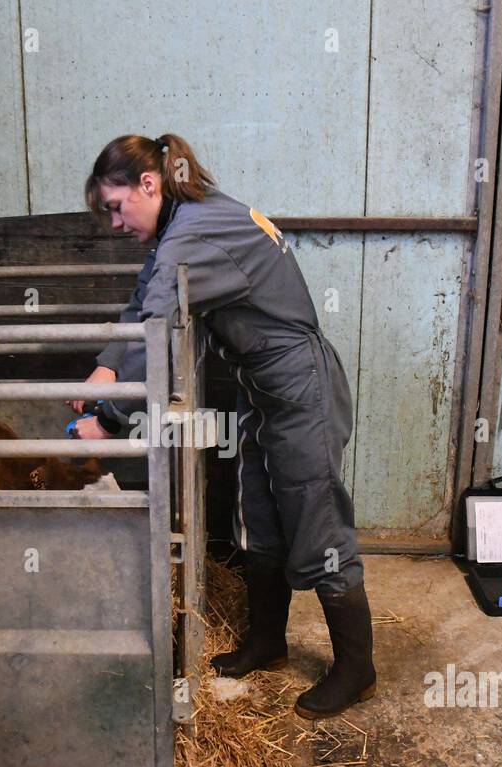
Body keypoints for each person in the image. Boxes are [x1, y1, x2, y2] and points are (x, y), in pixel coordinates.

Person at [74, 134, 377, 720]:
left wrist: (110, 420)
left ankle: (357, 669)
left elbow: (158, 328)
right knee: (258, 516)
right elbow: (144, 301)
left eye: (115, 206)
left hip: (297, 390)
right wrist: (109, 360)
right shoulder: (185, 224)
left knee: (317, 522)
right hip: (260, 388)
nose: (113, 222)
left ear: (148, 184)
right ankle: (267, 642)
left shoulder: (195, 230)